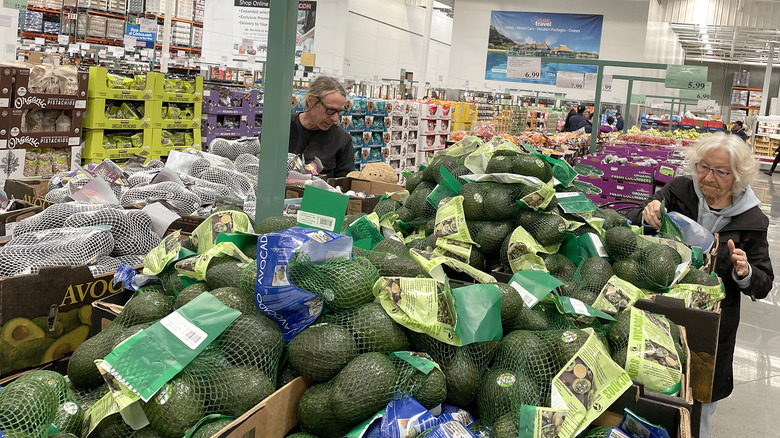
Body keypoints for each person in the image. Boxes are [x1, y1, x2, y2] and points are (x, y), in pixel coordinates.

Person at [624, 132, 773, 438]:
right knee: (653, 387)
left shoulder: (752, 219)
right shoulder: (680, 190)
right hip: (660, 307)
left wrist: (744, 272)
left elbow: (763, 284)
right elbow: (632, 219)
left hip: (710, 326)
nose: (708, 177)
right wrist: (646, 216)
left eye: (720, 171)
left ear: (738, 176)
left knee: (700, 402)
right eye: (703, 167)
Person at [289, 76, 354, 178]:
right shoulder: (282, 128)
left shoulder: (342, 141)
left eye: (339, 112)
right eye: (330, 110)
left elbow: (344, 187)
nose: (335, 118)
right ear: (311, 101)